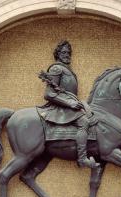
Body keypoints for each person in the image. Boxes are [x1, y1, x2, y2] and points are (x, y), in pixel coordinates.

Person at [38, 40, 98, 168]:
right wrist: (70, 103)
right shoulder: (56, 68)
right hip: (61, 107)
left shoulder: (67, 70)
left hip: (70, 104)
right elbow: (48, 94)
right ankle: (82, 159)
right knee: (84, 122)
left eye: (69, 52)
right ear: (58, 54)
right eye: (64, 52)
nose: (67, 55)